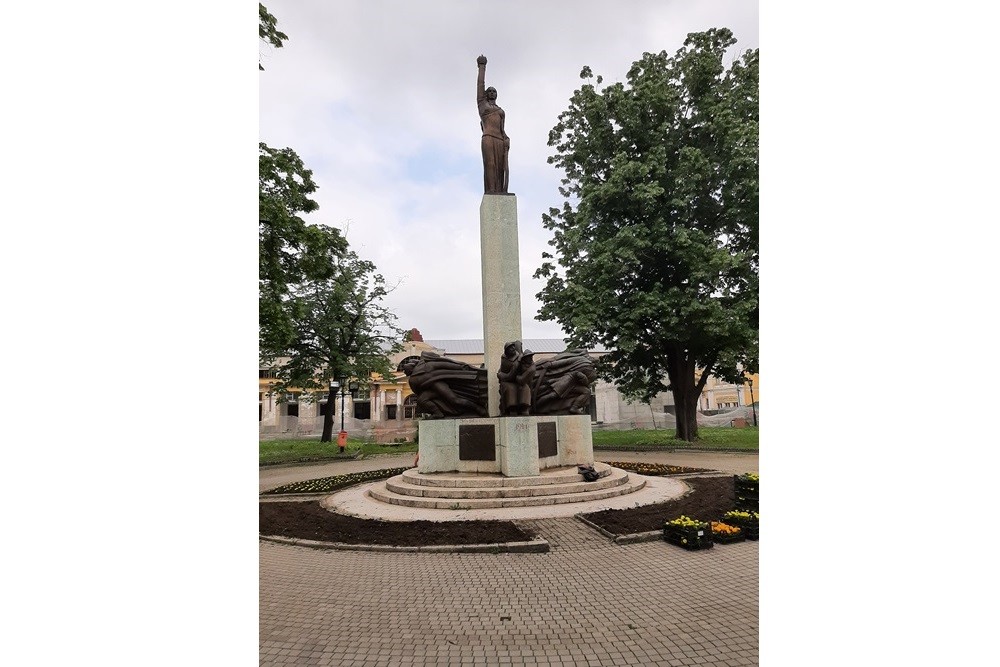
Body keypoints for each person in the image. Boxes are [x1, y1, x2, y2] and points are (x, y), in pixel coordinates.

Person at [476, 54, 510, 194]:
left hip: (500, 140)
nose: (491, 93)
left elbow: (502, 129)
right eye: (489, 91)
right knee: (490, 165)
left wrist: (506, 138)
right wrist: (482, 67)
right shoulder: (483, 106)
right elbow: (480, 85)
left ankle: (500, 190)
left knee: (501, 168)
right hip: (488, 138)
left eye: (494, 91)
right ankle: (491, 190)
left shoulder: (501, 111)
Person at [498, 341, 534, 416]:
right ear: (506, 351)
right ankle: (512, 408)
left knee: (525, 388)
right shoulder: (504, 358)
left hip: (518, 380)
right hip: (507, 380)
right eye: (510, 348)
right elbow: (503, 371)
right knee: (510, 388)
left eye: (513, 346)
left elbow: (527, 367)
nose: (513, 348)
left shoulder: (520, 357)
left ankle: (524, 407)